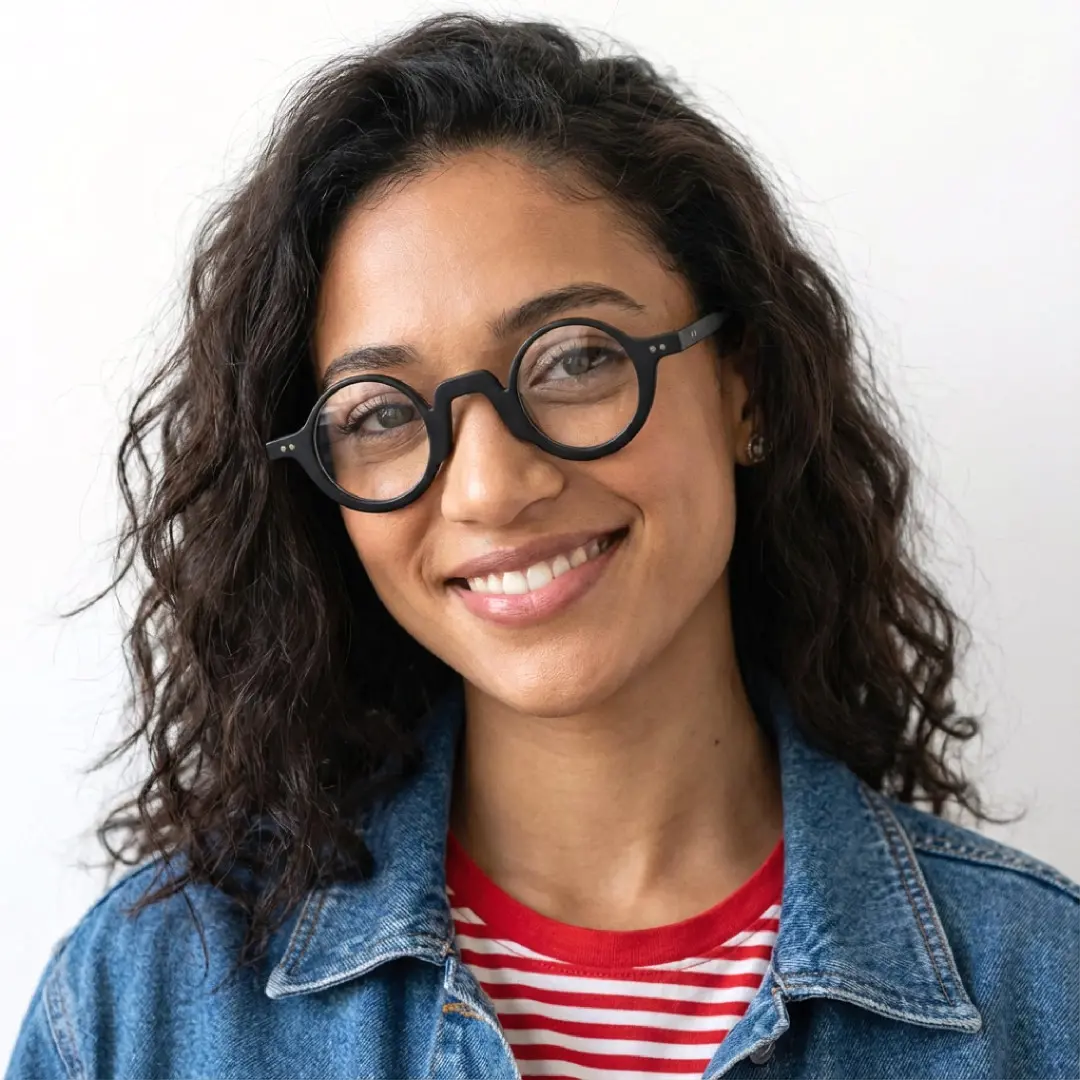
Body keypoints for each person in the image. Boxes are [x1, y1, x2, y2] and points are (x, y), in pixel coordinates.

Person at [6, 12, 1078, 1080]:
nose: (491, 485)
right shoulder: (142, 1008)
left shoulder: (1043, 993)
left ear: (744, 384)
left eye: (573, 359)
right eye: (381, 413)